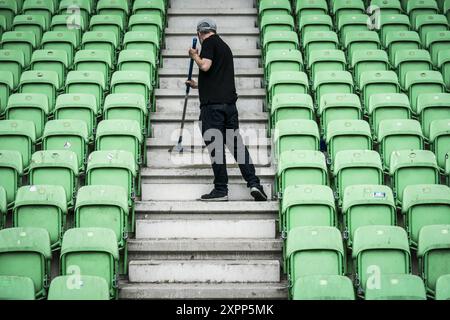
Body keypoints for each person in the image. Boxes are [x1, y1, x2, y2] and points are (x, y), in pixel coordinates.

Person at [186, 18, 268, 202]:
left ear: (200, 33)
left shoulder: (208, 43)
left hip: (212, 109)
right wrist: (197, 85)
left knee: (216, 148)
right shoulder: (224, 47)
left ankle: (221, 189)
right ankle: (255, 184)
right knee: (237, 146)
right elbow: (216, 78)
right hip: (229, 107)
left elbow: (205, 66)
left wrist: (194, 56)